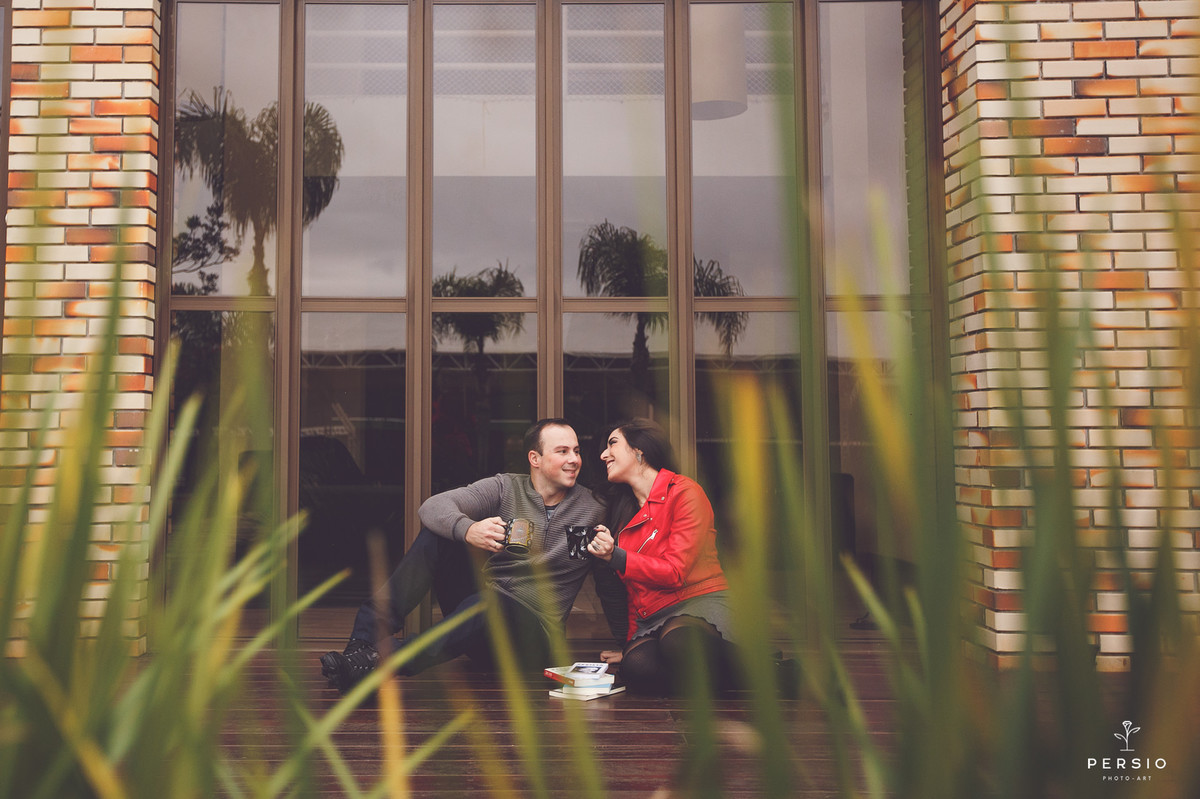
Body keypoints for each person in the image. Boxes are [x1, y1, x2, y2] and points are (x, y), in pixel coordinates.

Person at [320, 418, 624, 693]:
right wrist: (467, 529)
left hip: (532, 635)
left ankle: (381, 663)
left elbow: (608, 579)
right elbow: (432, 508)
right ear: (535, 458)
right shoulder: (505, 489)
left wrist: (627, 642)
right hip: (481, 618)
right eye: (562, 452)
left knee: (491, 603)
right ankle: (362, 644)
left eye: (576, 451)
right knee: (439, 534)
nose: (574, 460)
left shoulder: (592, 508)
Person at [586, 418, 740, 695]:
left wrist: (616, 556)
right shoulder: (623, 512)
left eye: (612, 444)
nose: (603, 455)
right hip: (653, 617)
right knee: (636, 669)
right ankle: (713, 677)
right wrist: (630, 643)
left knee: (679, 643)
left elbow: (675, 572)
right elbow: (633, 589)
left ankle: (772, 671)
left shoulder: (684, 492)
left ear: (639, 451)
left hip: (697, 602)